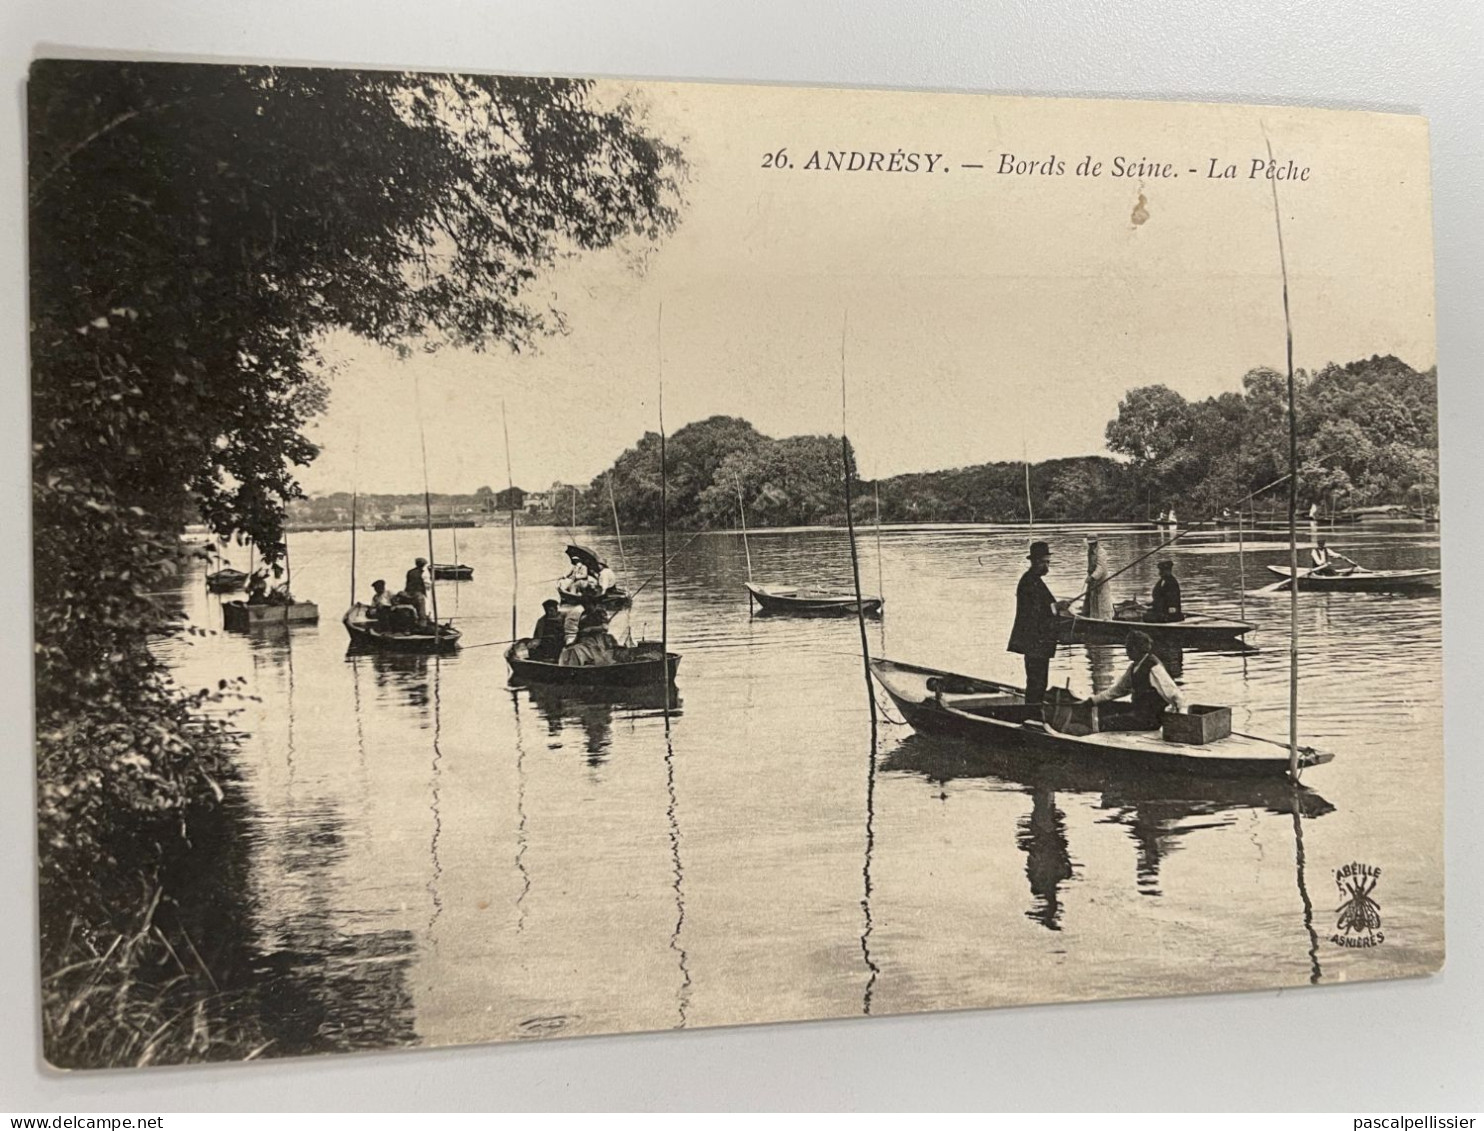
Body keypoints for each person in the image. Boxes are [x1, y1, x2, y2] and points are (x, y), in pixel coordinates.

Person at [1085, 630, 1188, 730]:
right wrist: (1093, 701)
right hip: (1139, 711)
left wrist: (1181, 720)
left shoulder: (1153, 667)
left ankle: (1094, 730)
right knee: (1105, 707)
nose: (1127, 651)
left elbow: (1176, 695)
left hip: (1151, 719)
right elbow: (1118, 690)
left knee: (1106, 721)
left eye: (1128, 648)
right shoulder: (1134, 666)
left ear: (1136, 648)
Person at [1008, 541, 1062, 706]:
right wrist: (1056, 607)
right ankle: (1032, 716)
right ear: (1036, 561)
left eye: (1048, 562)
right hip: (1034, 642)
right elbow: (1036, 612)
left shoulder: (1033, 580)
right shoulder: (1030, 582)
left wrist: (1055, 607)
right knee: (1036, 683)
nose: (1047, 566)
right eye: (1045, 562)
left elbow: (1042, 607)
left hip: (1037, 643)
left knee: (1038, 683)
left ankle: (1033, 713)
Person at [559, 601, 618, 667]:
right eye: (585, 605)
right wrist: (573, 642)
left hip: (597, 638)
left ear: (594, 605)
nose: (587, 607)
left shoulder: (599, 613)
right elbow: (579, 632)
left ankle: (599, 663)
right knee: (572, 650)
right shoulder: (584, 615)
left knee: (595, 650)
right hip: (585, 639)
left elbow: (605, 627)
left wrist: (591, 629)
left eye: (588, 605)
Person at [1082, 536, 1113, 620]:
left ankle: (1104, 618)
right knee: (1092, 599)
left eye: (1093, 544)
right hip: (1092, 579)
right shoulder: (1090, 551)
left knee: (1102, 600)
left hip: (1101, 580)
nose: (1091, 546)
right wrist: (1089, 575)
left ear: (1096, 543)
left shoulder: (1101, 552)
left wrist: (1092, 577)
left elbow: (1101, 568)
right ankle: (1092, 616)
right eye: (1090, 544)